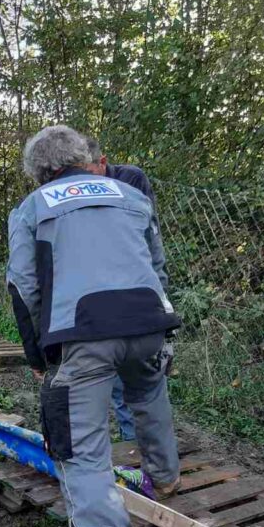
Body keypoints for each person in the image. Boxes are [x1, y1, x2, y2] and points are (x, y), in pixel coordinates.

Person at [7, 125, 181, 527]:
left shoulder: (33, 209)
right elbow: (158, 267)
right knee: (148, 395)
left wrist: (38, 355)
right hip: (149, 321)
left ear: (40, 173)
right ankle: (166, 478)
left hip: (84, 335)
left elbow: (23, 286)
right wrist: (159, 325)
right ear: (85, 159)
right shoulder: (130, 195)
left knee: (81, 448)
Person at [82, 137, 172, 443]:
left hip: (138, 287)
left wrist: (163, 308)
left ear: (103, 161)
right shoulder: (78, 190)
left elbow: (148, 243)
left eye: (88, 172)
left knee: (147, 380)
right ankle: (133, 447)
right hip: (103, 291)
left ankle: (152, 448)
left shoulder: (131, 180)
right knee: (120, 385)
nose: (84, 182)